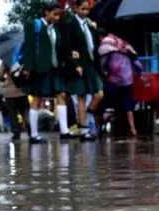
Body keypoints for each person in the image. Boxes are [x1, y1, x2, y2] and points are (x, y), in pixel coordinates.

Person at [21, 2, 71, 144]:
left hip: (54, 68)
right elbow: (29, 47)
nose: (57, 18)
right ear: (46, 12)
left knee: (61, 94)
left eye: (59, 15)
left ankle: (64, 131)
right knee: (37, 98)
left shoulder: (55, 29)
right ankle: (34, 134)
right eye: (54, 14)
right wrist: (28, 67)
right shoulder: (33, 25)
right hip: (39, 68)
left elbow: (58, 47)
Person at [60, 0, 103, 141]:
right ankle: (84, 130)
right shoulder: (69, 24)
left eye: (87, 9)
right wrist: (75, 64)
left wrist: (95, 29)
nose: (85, 12)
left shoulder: (89, 25)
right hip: (79, 65)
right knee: (81, 97)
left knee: (98, 94)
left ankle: (88, 116)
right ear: (76, 8)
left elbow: (95, 44)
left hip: (91, 64)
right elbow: (66, 46)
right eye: (82, 9)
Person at [98, 29, 142, 137]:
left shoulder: (106, 43)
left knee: (104, 101)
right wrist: (141, 71)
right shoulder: (122, 43)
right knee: (128, 105)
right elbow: (135, 58)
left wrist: (101, 71)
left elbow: (102, 62)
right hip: (128, 78)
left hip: (115, 79)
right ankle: (133, 129)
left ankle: (99, 126)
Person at [0, 65, 30, 141]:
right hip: (22, 92)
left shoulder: (6, 62)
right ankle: (30, 129)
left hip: (9, 94)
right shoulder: (21, 61)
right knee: (25, 112)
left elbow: (1, 77)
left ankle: (16, 133)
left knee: (13, 114)